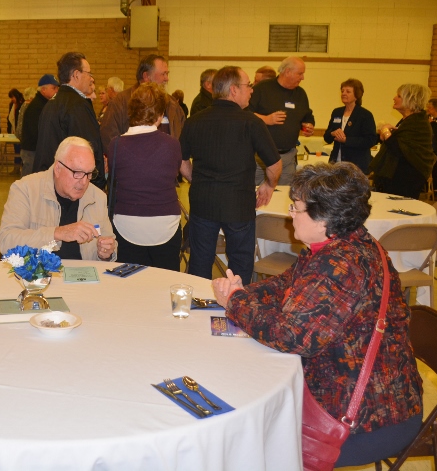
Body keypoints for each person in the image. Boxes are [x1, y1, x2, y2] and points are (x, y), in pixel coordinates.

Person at [212, 163, 423, 467]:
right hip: (360, 392)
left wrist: (235, 303)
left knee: (248, 441)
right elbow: (287, 283)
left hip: (367, 415)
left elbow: (290, 336)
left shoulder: (341, 264)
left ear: (324, 218)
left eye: (296, 208)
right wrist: (242, 293)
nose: (290, 214)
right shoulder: (342, 243)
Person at [179, 66, 281, 281]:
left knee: (200, 261)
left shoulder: (194, 121)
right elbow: (274, 164)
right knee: (240, 263)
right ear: (234, 90)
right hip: (238, 205)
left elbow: (180, 161)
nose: (252, 91)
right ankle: (236, 305)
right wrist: (268, 185)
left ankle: (200, 305)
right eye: (248, 86)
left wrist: (195, 179)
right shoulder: (252, 122)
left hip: (203, 202)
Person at [0, 136, 116, 261]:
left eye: (89, 173)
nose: (84, 182)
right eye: (77, 172)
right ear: (58, 168)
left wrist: (105, 253)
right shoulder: (26, 189)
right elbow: (6, 241)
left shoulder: (98, 197)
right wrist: (57, 233)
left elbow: (110, 244)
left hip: (83, 277)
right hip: (38, 276)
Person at [108, 83, 181, 270]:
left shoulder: (115, 145)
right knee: (166, 282)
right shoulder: (172, 144)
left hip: (127, 225)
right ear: (159, 115)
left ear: (131, 111)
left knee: (131, 284)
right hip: (166, 224)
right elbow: (173, 175)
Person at [32, 52, 106, 190]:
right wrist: (98, 182)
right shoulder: (78, 106)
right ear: (76, 75)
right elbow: (89, 148)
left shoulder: (51, 104)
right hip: (73, 187)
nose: (91, 79)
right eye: (89, 73)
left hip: (49, 182)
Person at [248, 56, 315, 185]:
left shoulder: (300, 94)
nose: (303, 78)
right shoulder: (262, 88)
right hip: (260, 157)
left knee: (284, 195)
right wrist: (265, 119)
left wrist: (309, 124)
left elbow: (307, 115)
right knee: (255, 193)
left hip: (287, 157)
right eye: (300, 73)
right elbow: (244, 113)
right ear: (287, 72)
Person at [100, 54, 185, 154]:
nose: (167, 79)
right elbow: (108, 139)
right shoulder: (120, 103)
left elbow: (183, 140)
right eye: (163, 74)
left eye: (167, 74)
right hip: (133, 167)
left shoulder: (173, 106)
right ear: (146, 76)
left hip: (166, 167)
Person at [370, 84, 435, 199]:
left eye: (399, 96)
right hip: (397, 177)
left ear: (411, 100)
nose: (394, 98)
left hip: (406, 179)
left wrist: (386, 131)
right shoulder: (408, 120)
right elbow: (401, 143)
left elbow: (400, 150)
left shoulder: (417, 122)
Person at [322, 78, 377, 174]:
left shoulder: (365, 115)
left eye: (348, 91)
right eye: (342, 91)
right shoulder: (337, 112)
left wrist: (346, 140)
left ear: (357, 95)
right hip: (335, 163)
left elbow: (370, 140)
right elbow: (327, 138)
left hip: (356, 165)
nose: (343, 93)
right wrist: (332, 133)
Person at [20, 74, 59, 177]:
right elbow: (36, 131)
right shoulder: (37, 106)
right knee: (29, 179)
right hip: (32, 150)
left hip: (36, 149)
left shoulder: (45, 104)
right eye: (54, 88)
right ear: (43, 89)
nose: (57, 91)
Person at [7, 88, 24, 176]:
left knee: (22, 151)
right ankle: (16, 168)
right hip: (14, 131)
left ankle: (22, 168)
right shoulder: (11, 105)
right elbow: (9, 118)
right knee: (16, 150)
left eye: (12, 97)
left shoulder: (22, 103)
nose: (11, 99)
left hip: (21, 132)